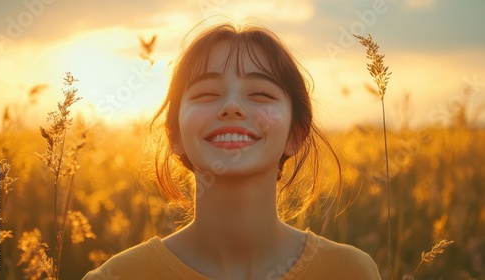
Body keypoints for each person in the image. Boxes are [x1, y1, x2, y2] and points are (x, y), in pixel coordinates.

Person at [83, 22, 381, 280]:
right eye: (207, 93)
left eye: (260, 94)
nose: (231, 107)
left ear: (295, 134)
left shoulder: (349, 270)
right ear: (175, 136)